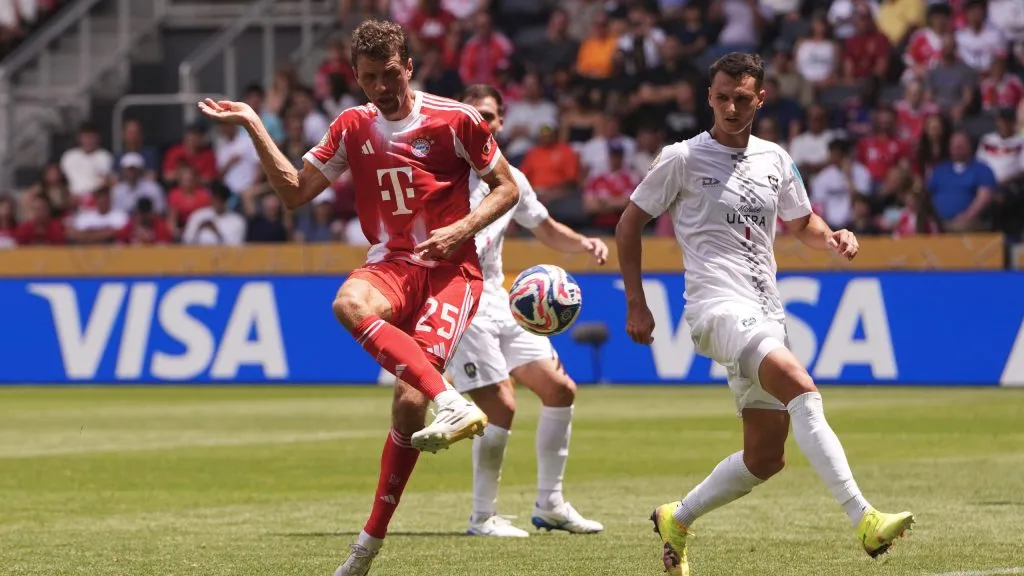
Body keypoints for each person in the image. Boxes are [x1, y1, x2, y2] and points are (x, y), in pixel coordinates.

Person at [197, 19, 520, 576]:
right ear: (357, 76)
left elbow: (508, 187)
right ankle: (451, 403)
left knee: (405, 403)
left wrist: (463, 228)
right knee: (347, 304)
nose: (382, 87)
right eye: (370, 77)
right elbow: (295, 193)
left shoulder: (456, 120)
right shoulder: (352, 126)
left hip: (450, 269)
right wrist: (253, 122)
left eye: (390, 74)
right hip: (393, 263)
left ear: (409, 67)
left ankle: (368, 543)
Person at [613, 52, 915, 576]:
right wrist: (636, 303)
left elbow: (803, 223)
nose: (731, 107)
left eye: (743, 98)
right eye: (723, 97)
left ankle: (676, 518)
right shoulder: (681, 158)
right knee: (801, 385)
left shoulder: (775, 158)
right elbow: (628, 224)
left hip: (765, 311)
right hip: (715, 307)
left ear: (761, 98)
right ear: (709, 97)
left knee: (765, 458)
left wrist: (835, 236)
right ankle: (863, 518)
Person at [450, 84, 607, 538]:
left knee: (560, 390)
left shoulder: (510, 177)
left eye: (490, 115)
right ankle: (482, 517)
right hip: (460, 298)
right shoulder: (442, 173)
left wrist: (582, 243)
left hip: (500, 299)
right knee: (501, 403)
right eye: (474, 113)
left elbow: (543, 226)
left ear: (501, 122)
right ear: (461, 118)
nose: (483, 122)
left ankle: (551, 504)